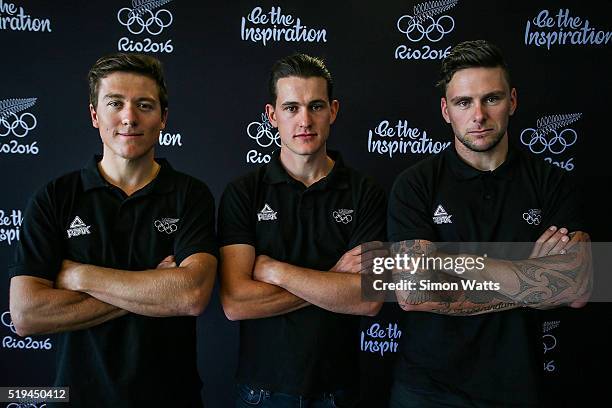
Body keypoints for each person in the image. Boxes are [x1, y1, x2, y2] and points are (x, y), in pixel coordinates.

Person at [387, 40, 591, 407]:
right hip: (427, 390)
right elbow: (413, 292)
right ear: (446, 110)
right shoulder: (415, 184)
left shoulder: (551, 182)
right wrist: (533, 275)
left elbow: (576, 288)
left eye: (491, 99)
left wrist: (448, 262)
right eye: (464, 102)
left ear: (512, 101)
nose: (478, 115)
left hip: (519, 387)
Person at [8, 53, 218, 407]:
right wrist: (153, 285)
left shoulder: (190, 195)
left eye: (144, 105)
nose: (129, 117)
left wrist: (81, 275)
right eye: (115, 103)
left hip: (170, 399)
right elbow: (27, 315)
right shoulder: (54, 198)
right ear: (94, 115)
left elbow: (190, 295)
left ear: (163, 118)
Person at [218, 53, 386, 407]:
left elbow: (368, 300)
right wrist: (332, 279)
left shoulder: (364, 192)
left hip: (337, 392)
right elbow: (236, 302)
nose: (305, 120)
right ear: (272, 115)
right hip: (259, 393)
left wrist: (275, 271)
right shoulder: (244, 192)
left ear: (334, 111)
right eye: (291, 108)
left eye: (316, 106)